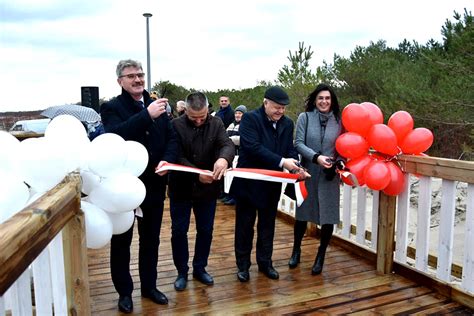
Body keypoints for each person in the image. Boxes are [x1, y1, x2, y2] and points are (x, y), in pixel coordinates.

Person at [100, 59, 177, 313]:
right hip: (123, 187)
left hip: (154, 184)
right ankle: (124, 292)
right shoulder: (111, 107)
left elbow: (172, 137)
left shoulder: (158, 104)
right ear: (120, 81)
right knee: (122, 240)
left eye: (140, 74)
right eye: (131, 75)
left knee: (151, 240)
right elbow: (115, 135)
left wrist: (168, 158)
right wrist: (147, 115)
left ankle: (150, 286)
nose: (137, 79)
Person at [231, 86, 309, 282]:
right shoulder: (250, 119)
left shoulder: (287, 123)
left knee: (267, 226)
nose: (280, 111)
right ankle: (243, 265)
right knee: (244, 226)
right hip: (248, 183)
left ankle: (265, 263)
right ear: (265, 102)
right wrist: (283, 162)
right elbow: (253, 147)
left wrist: (295, 166)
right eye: (276, 107)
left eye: (283, 108)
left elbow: (289, 149)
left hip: (272, 184)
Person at [168, 92, 235, 291]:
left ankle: (200, 267)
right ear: (185, 111)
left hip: (208, 189)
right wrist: (196, 174)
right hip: (181, 187)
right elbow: (175, 156)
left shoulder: (216, 123)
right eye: (193, 117)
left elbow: (227, 144)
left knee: (205, 230)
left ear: (208, 109)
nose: (198, 121)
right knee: (179, 231)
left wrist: (224, 159)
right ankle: (181, 271)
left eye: (202, 117)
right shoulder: (175, 125)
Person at [288, 83, 344, 275]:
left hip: (330, 176)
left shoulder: (340, 120)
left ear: (332, 101)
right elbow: (298, 143)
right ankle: (296, 250)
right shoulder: (305, 117)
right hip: (308, 171)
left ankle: (320, 256)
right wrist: (316, 157)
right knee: (302, 214)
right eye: (320, 98)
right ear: (315, 100)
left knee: (328, 217)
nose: (324, 101)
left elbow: (344, 147)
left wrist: (340, 163)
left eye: (327, 98)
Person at [221, 104, 247, 206]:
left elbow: (243, 140)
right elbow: (224, 135)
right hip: (231, 154)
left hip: (239, 154)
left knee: (237, 178)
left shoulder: (246, 125)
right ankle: (229, 195)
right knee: (229, 176)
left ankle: (235, 197)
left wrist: (230, 140)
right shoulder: (231, 124)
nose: (237, 115)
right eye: (236, 113)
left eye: (240, 113)